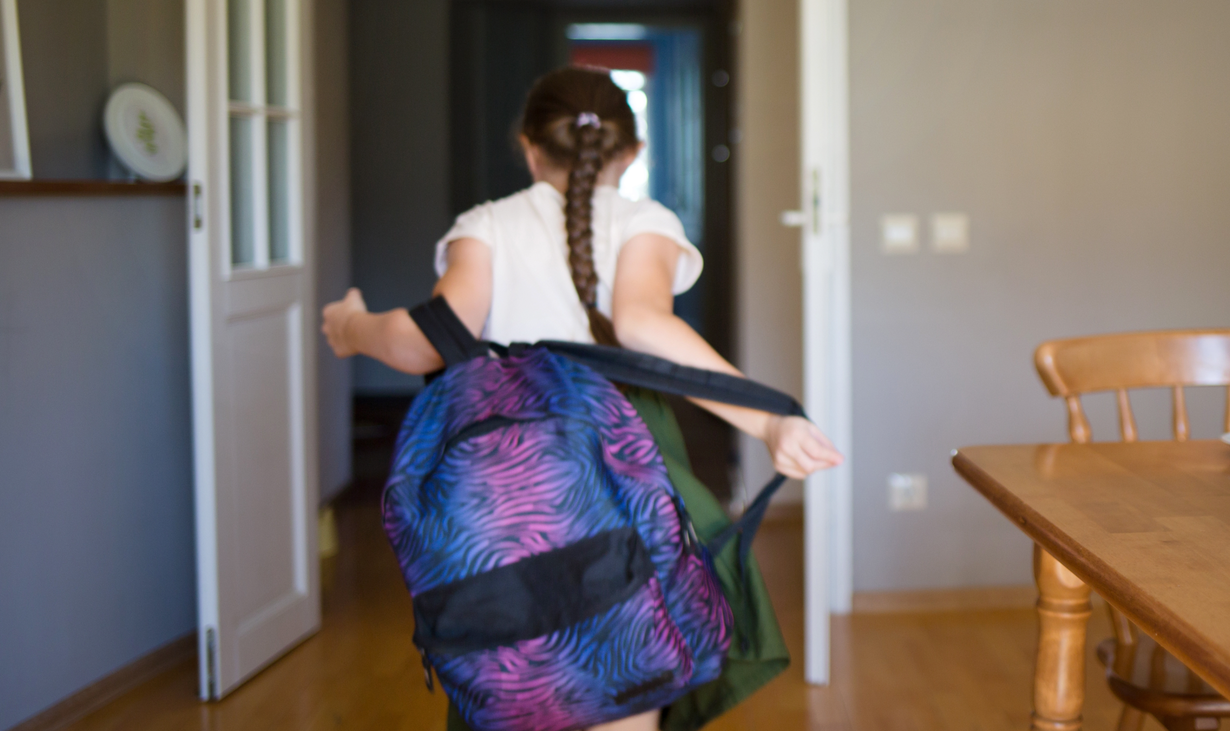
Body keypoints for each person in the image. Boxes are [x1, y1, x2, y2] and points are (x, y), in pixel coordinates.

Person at [322, 67, 842, 731]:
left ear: (528, 146)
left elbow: (429, 338)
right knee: (632, 658)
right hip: (624, 459)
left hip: (506, 486)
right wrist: (768, 421)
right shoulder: (644, 220)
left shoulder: (485, 225)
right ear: (631, 153)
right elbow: (642, 324)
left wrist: (351, 327)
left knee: (517, 656)